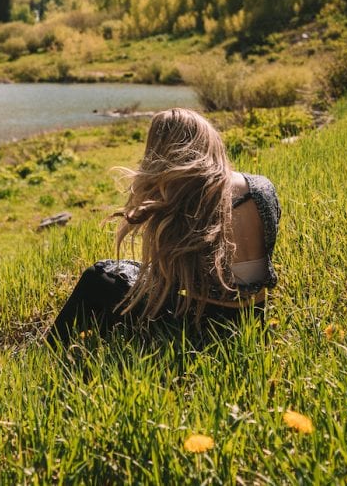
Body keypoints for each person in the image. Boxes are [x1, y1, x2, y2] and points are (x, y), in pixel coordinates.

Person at [47, 108, 281, 346]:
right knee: (126, 270)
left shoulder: (182, 196)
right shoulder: (261, 186)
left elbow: (168, 282)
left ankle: (51, 351)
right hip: (255, 316)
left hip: (202, 326)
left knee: (98, 276)